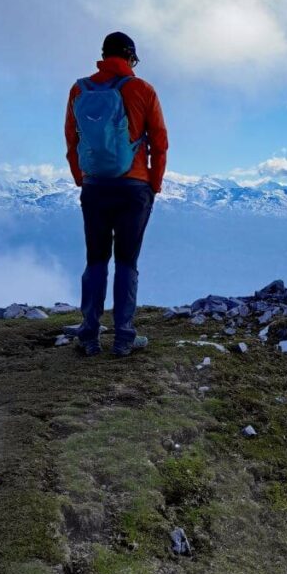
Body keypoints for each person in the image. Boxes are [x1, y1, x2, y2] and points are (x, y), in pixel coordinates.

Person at [65, 31, 168, 356]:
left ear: (104, 54)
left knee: (95, 260)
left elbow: (72, 140)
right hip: (134, 188)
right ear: (129, 57)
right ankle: (124, 338)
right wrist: (154, 183)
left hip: (95, 187)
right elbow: (160, 141)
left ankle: (89, 336)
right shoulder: (142, 89)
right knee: (127, 262)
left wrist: (83, 179)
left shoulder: (79, 89)